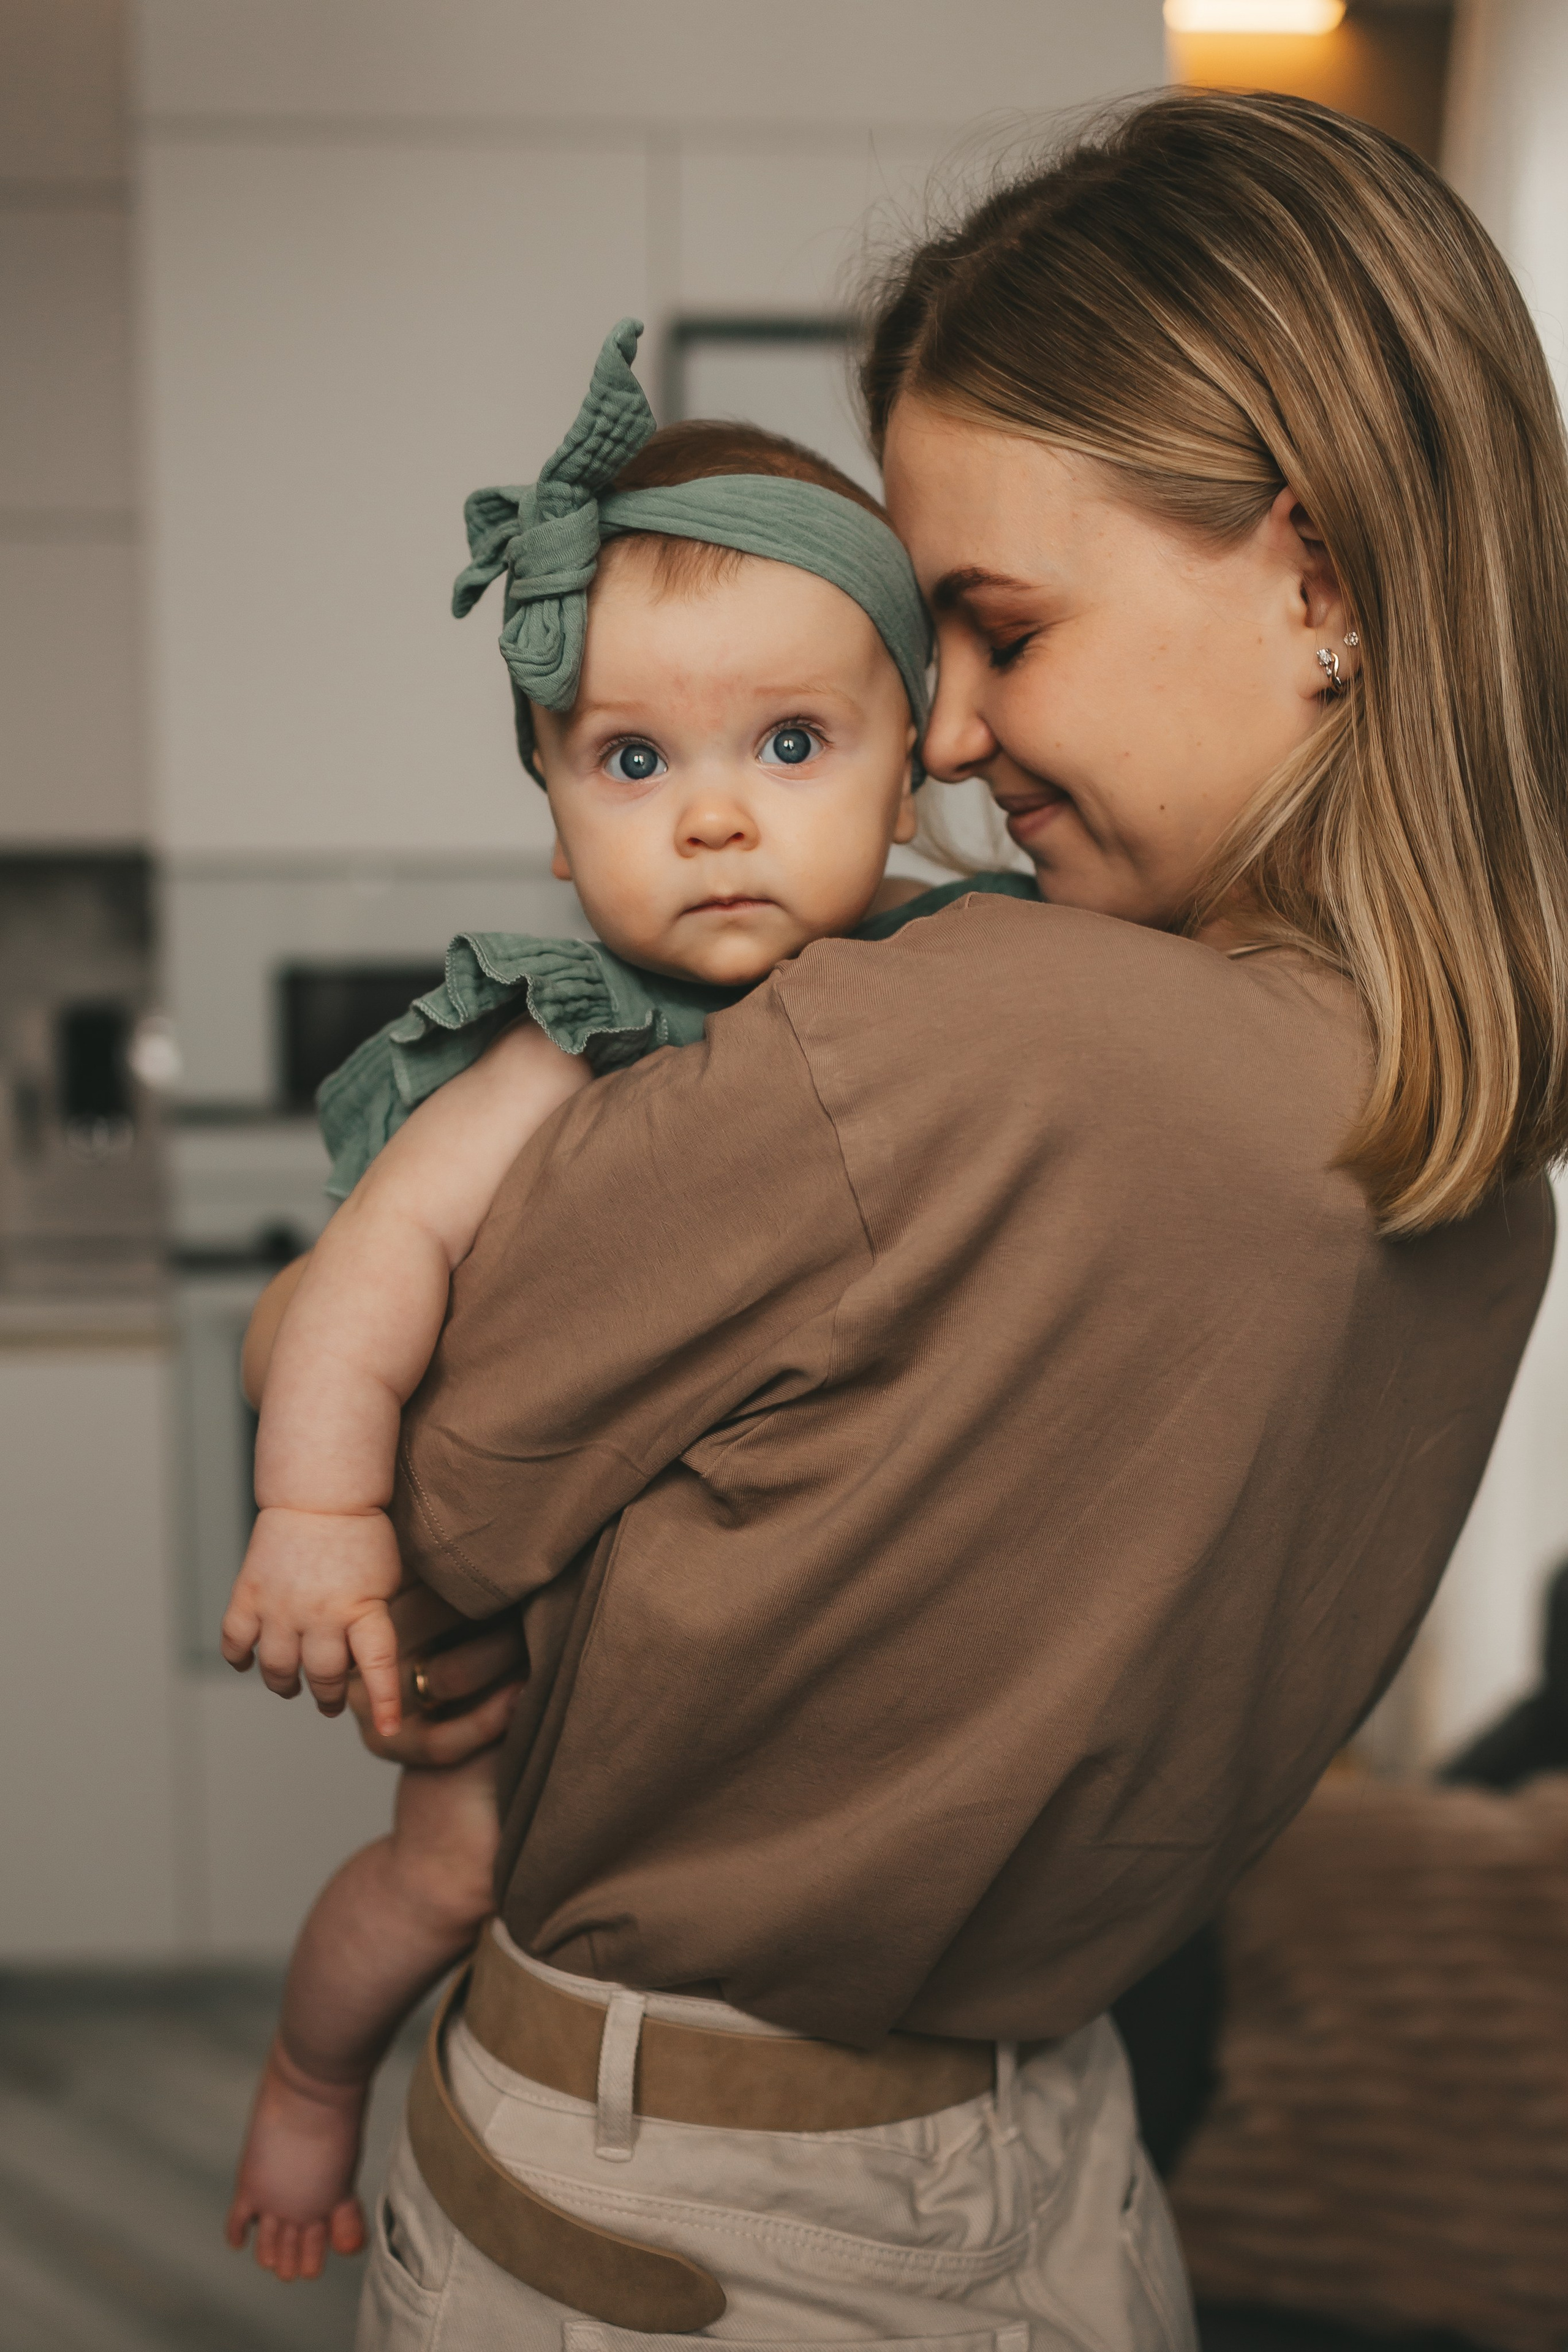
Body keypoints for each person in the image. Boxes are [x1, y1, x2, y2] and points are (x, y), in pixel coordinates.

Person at [334, 88, 1568, 2349]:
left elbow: (432, 1505)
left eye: (998, 627)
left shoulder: (944, 1041)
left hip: (673, 2204)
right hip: (1069, 2171)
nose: (952, 735)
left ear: (1318, 576)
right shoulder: (1487, 1177)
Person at [221, 325, 1039, 2282]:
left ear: (913, 740)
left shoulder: (979, 974)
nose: (715, 816)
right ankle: (309, 2083)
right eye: (632, 760)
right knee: (452, 1873)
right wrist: (322, 1511)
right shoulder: (566, 1038)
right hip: (517, 1612)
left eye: (789, 743)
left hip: (757, 1644)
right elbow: (376, 1265)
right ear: (551, 792)